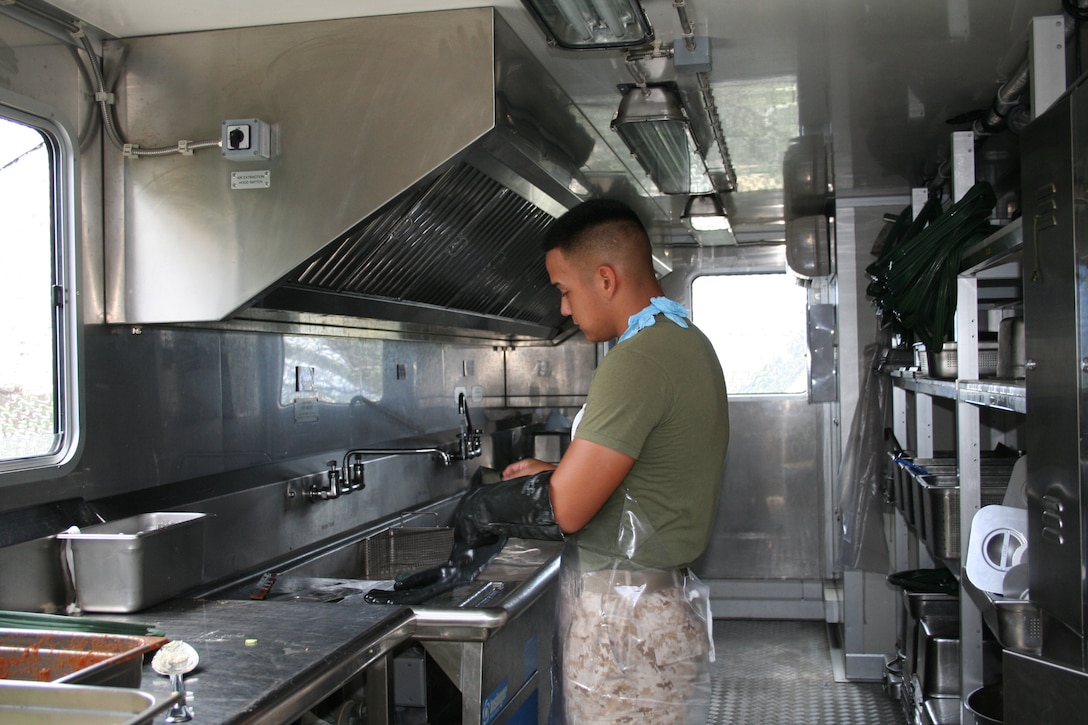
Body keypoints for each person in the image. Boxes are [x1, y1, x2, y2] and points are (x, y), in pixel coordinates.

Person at [501, 198, 730, 724]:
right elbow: (641, 480)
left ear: (605, 279)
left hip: (625, 628)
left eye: (564, 290)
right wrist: (556, 475)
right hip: (651, 615)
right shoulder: (686, 341)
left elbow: (568, 511)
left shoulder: (637, 361)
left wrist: (489, 503)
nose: (563, 308)